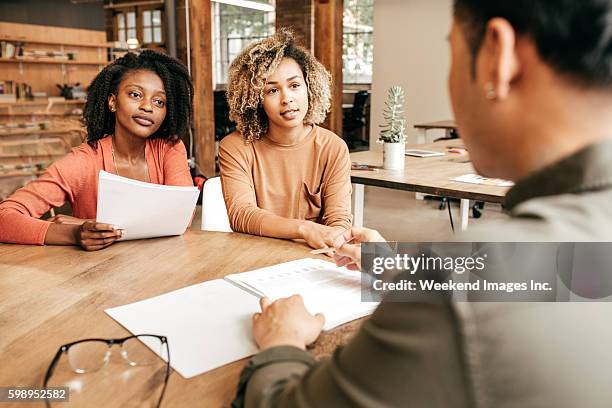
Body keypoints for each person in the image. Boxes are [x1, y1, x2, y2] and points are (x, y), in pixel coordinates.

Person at [232, 1, 612, 406]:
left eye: (451, 51)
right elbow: (553, 276)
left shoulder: (462, 287)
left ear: (496, 57)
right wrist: (396, 265)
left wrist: (281, 343)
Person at [0, 50, 194, 251]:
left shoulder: (169, 148)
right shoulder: (83, 161)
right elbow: (4, 217)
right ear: (112, 101)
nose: (147, 107)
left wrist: (78, 222)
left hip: (161, 267)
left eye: (159, 102)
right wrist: (73, 233)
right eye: (135, 95)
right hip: (95, 274)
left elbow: (182, 217)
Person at [219, 29, 352, 250]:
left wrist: (337, 238)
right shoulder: (234, 147)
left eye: (294, 85)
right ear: (255, 100)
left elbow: (338, 218)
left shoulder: (333, 147)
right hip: (253, 257)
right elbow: (241, 215)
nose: (287, 98)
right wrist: (304, 229)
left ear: (309, 87)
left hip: (313, 256)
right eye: (272, 90)